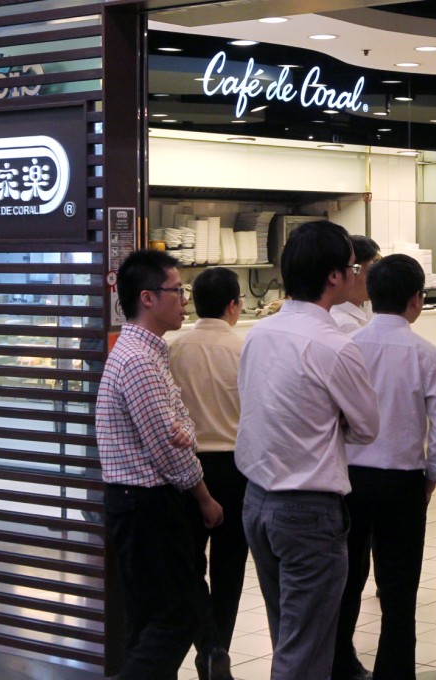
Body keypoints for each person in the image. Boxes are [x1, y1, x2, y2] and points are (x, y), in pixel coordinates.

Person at [236, 220, 380, 680]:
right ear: (335, 276)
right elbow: (367, 427)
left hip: (256, 502)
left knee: (290, 637)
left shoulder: (258, 334)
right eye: (353, 267)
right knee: (305, 651)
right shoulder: (335, 346)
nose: (358, 275)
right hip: (308, 512)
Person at [95, 250, 224, 679]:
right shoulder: (138, 360)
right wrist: (204, 497)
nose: (184, 298)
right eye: (176, 290)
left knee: (149, 617)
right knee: (176, 617)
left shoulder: (149, 353)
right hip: (146, 504)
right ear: (147, 298)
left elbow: (180, 421)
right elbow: (168, 447)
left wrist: (180, 429)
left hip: (138, 503)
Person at [332, 254, 436, 680]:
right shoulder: (426, 354)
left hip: (348, 480)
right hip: (403, 482)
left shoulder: (347, 347)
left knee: (345, 582)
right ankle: (395, 672)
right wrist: (433, 478)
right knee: (399, 589)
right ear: (416, 300)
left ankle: (338, 666)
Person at [169, 267, 248, 680]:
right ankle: (219, 648)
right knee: (230, 566)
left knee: (190, 565)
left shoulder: (173, 349)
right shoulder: (244, 349)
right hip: (236, 468)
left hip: (187, 468)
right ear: (233, 305)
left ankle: (208, 643)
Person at [330, 235, 381, 334]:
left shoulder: (368, 305)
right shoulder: (344, 323)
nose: (376, 277)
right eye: (371, 271)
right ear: (351, 271)